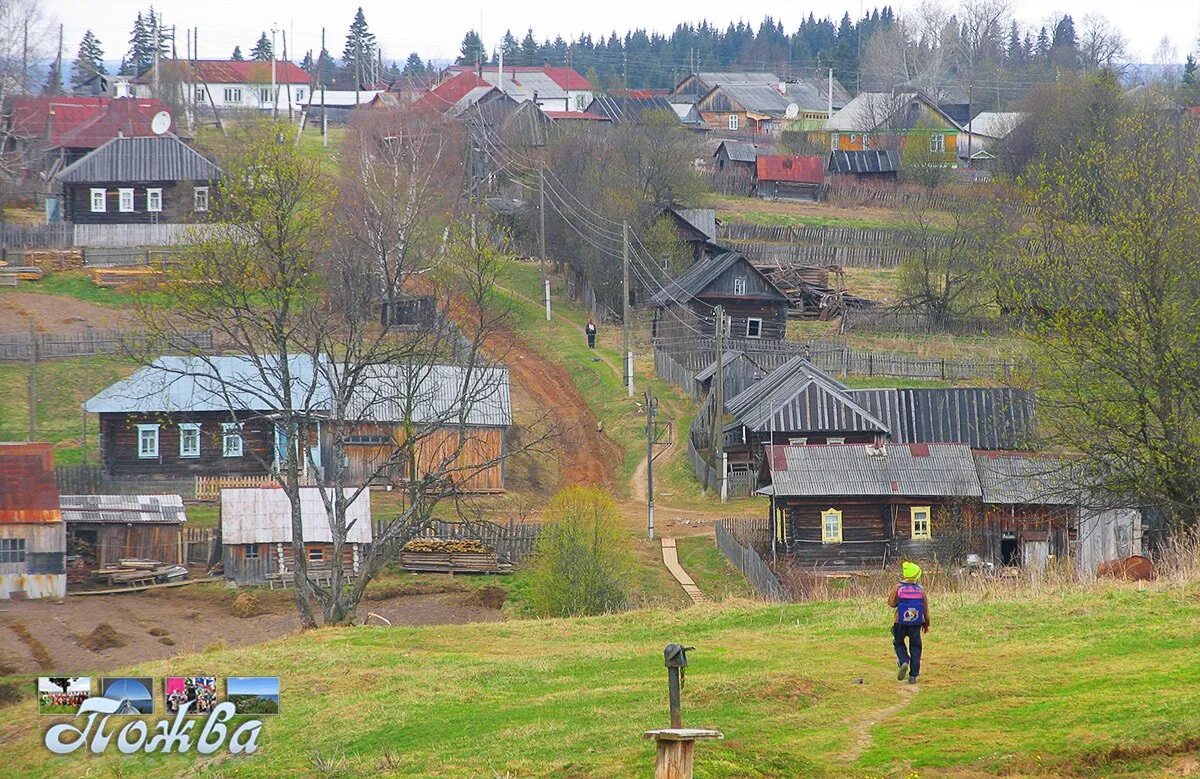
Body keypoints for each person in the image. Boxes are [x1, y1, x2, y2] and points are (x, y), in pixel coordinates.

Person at [888, 560, 929, 684]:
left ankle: (904, 661)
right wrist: (926, 622)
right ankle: (913, 676)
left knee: (898, 643)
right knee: (916, 647)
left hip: (900, 622)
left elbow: (891, 603)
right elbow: (925, 608)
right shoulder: (921, 590)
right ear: (917, 576)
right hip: (916, 623)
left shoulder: (898, 588)